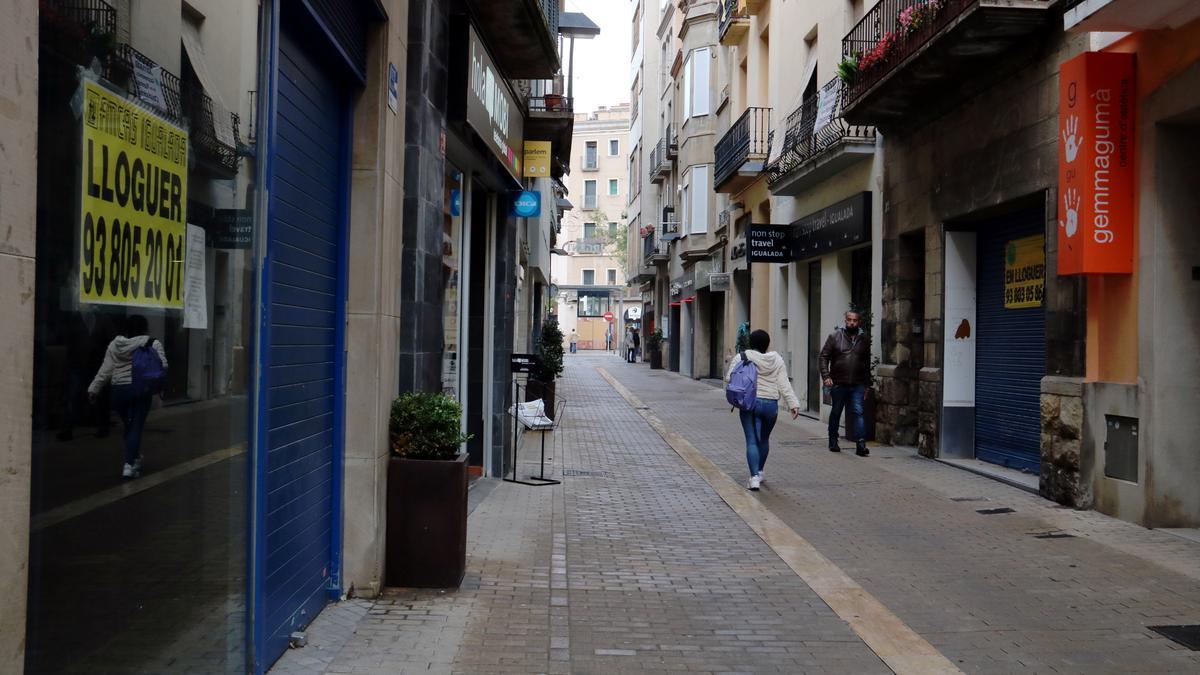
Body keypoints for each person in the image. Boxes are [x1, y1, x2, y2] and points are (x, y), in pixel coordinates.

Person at [88, 315, 167, 478]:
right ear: (145, 327)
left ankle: (135, 457)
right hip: (140, 390)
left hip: (118, 392)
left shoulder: (115, 345)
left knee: (130, 426)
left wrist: (93, 389)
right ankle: (129, 464)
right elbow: (163, 366)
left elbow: (105, 370)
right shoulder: (152, 343)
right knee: (135, 427)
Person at [727, 330, 801, 491]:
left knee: (752, 440)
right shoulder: (777, 360)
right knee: (764, 439)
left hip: (749, 403)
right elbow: (784, 384)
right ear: (767, 344)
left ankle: (753, 478)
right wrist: (793, 404)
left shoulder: (743, 357)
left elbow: (729, 378)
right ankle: (759, 471)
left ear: (750, 343)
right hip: (770, 405)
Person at [819, 310, 872, 457]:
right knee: (836, 411)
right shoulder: (835, 336)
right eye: (849, 320)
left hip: (858, 383)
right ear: (845, 320)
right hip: (838, 382)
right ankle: (833, 440)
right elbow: (823, 357)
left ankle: (861, 444)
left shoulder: (864, 340)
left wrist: (867, 384)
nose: (852, 323)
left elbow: (866, 363)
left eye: (855, 320)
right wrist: (826, 376)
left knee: (858, 412)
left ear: (858, 322)